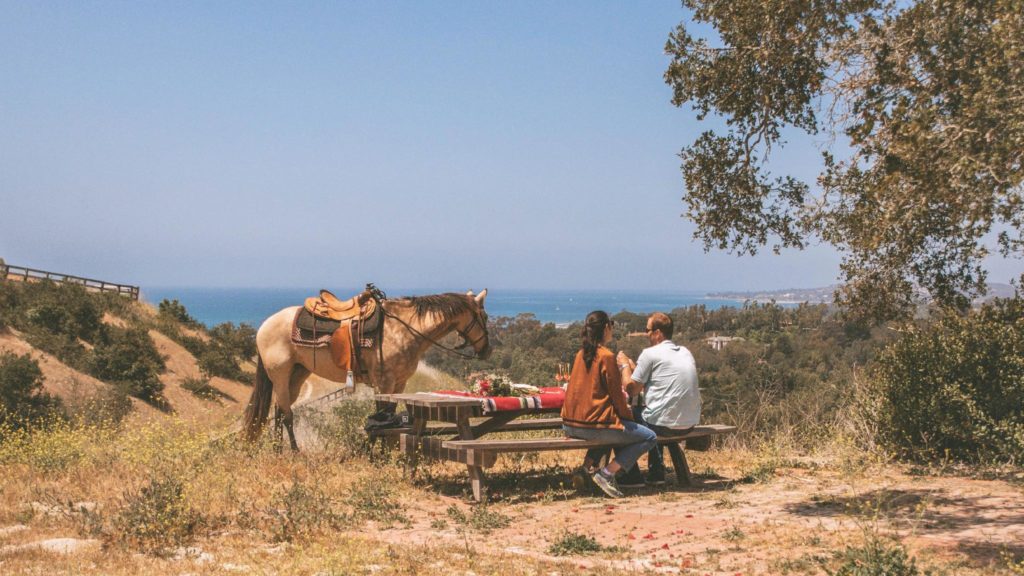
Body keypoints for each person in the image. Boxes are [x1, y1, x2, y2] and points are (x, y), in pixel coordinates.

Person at [561, 310, 657, 498]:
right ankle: (606, 473)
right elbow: (617, 395)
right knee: (649, 437)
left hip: (570, 425)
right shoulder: (606, 356)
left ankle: (584, 469)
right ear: (606, 327)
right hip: (592, 427)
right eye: (611, 324)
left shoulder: (581, 354)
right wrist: (627, 417)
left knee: (607, 427)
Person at [615, 312, 700, 486]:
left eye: (648, 330)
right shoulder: (685, 352)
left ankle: (631, 475)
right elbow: (662, 386)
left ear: (658, 333)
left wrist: (624, 366)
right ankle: (656, 472)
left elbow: (631, 389)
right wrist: (636, 369)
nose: (646, 334)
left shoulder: (650, 354)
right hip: (689, 424)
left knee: (622, 416)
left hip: (664, 425)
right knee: (655, 411)